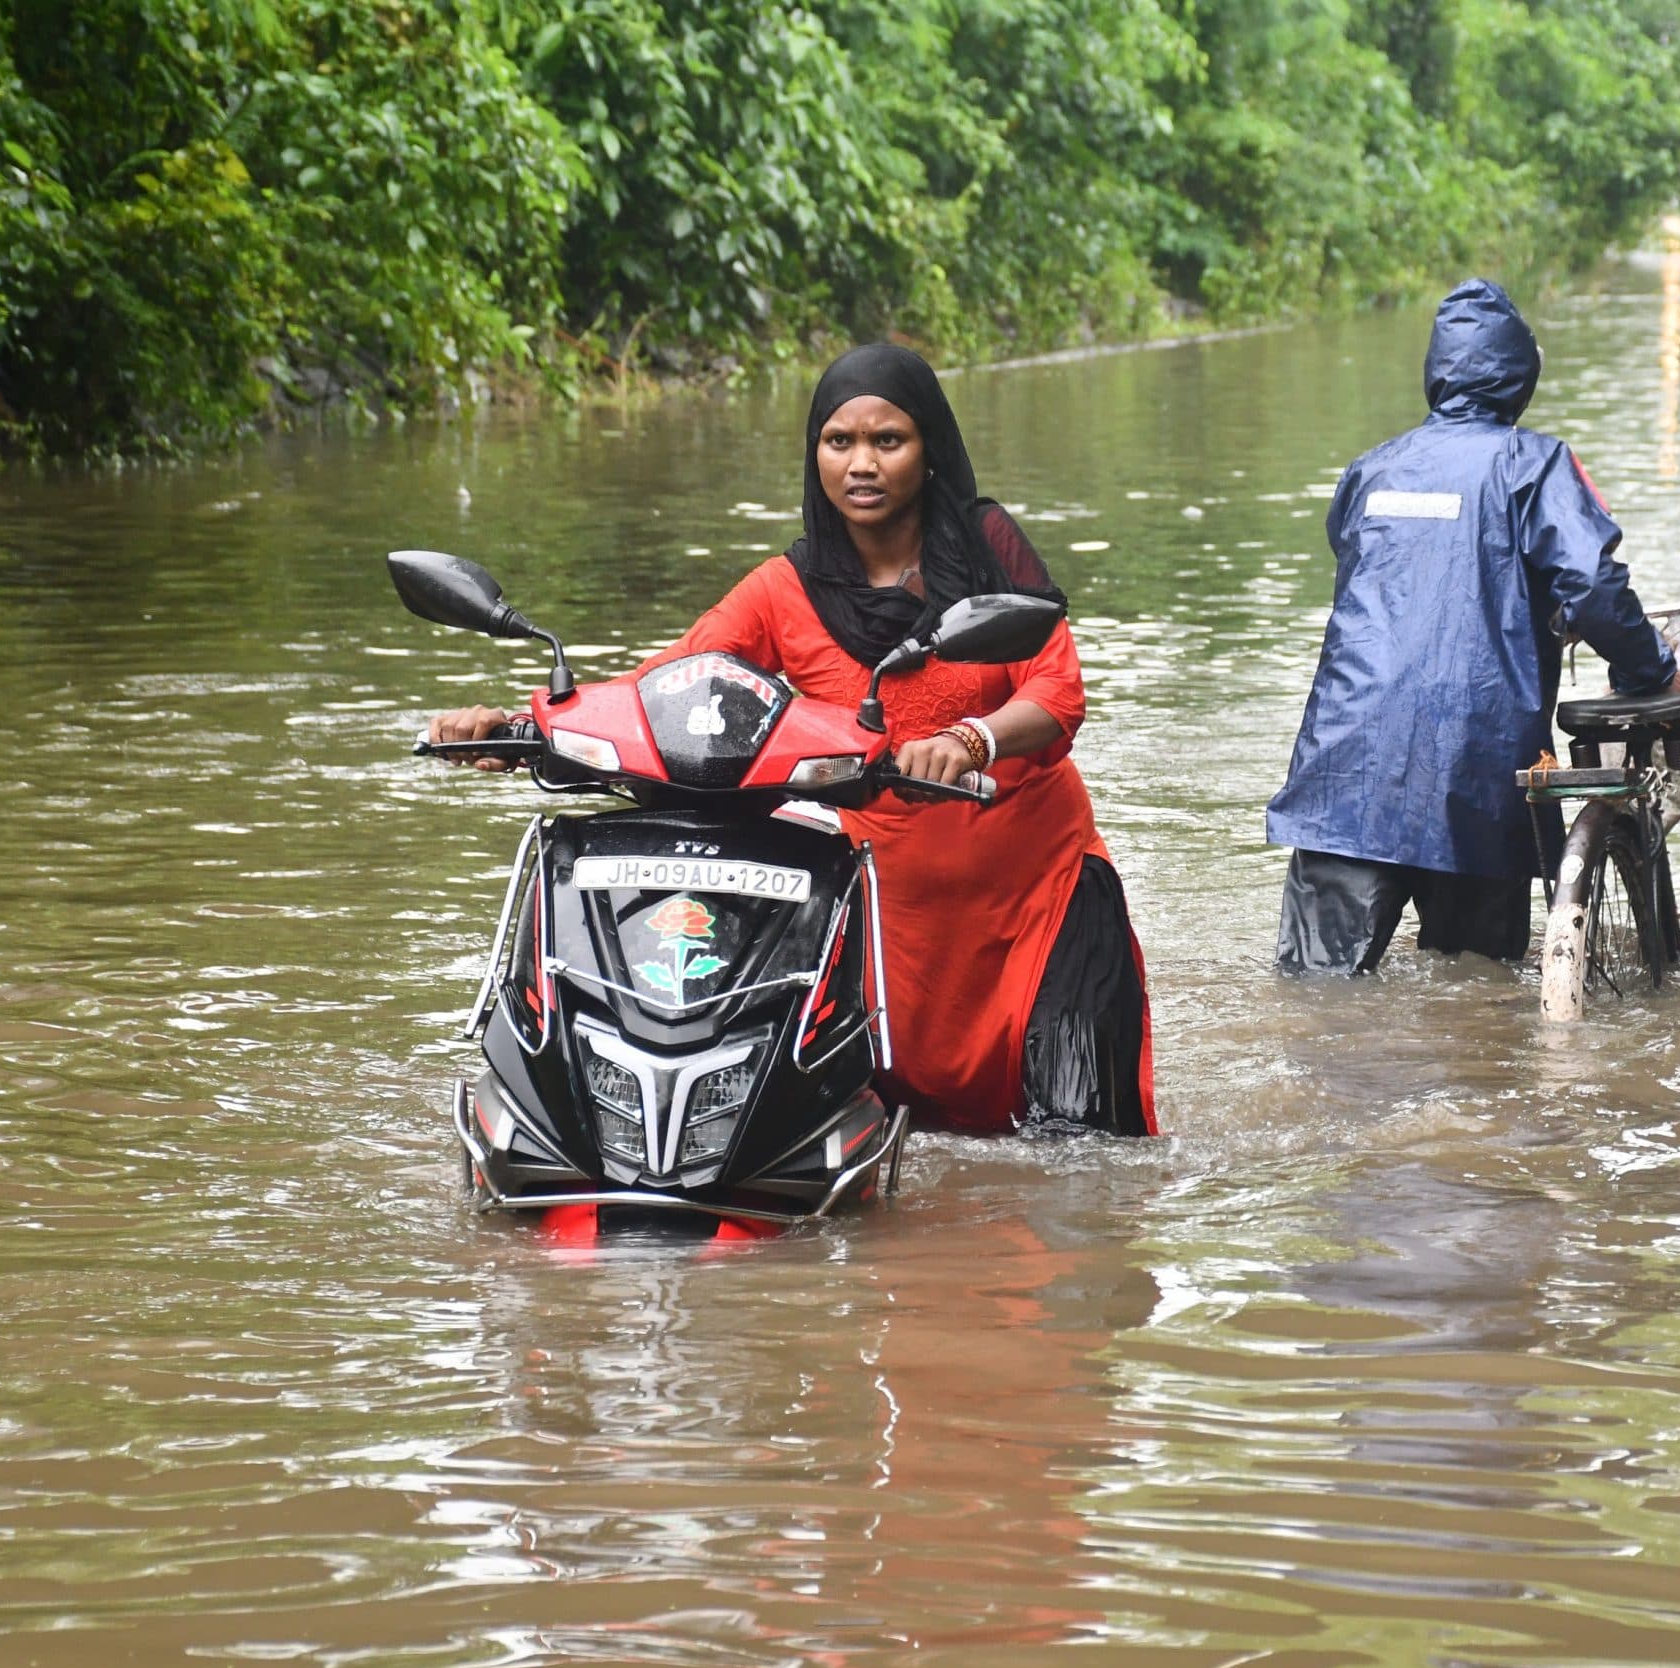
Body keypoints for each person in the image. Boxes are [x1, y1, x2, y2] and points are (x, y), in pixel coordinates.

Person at [428, 346, 1157, 1136]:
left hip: (1038, 896)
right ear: (815, 455)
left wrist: (971, 739)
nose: (862, 464)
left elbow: (1057, 690)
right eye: (839, 441)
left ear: (931, 449)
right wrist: (521, 728)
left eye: (889, 440)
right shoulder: (784, 588)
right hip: (886, 915)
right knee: (876, 1149)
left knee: (1082, 1156)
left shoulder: (987, 547)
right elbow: (666, 687)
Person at [1266, 279, 1680, 976]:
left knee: (1317, 998)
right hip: (1476, 770)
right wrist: (1651, 671)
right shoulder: (1535, 464)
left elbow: (1357, 559)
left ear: (1436, 373)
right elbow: (1593, 586)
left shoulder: (1374, 468)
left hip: (1347, 769)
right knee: (1476, 995)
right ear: (1521, 378)